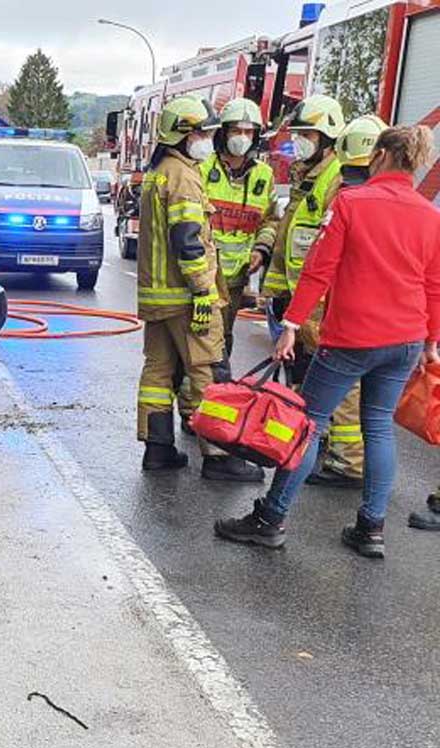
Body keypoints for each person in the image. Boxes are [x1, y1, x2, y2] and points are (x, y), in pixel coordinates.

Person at [215, 125, 440, 558]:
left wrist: (292, 325)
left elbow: (319, 270)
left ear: (380, 157)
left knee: (308, 424)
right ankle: (371, 529)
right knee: (377, 428)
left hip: (352, 336)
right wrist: (431, 340)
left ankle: (270, 519)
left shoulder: (351, 203)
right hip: (406, 340)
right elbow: (434, 284)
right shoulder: (429, 215)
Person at [135, 96, 263, 482]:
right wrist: (204, 291)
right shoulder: (184, 177)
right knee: (207, 370)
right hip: (187, 297)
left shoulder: (159, 172)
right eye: (203, 132)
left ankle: (157, 449)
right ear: (184, 134)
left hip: (157, 297)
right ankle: (220, 456)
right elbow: (188, 242)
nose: (208, 139)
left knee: (158, 370)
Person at [258, 96, 363, 489]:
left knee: (335, 382)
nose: (298, 141)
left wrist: (309, 306)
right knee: (305, 378)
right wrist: (273, 293)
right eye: (298, 134)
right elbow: (290, 239)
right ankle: (315, 449)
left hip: (320, 302)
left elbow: (328, 249)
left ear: (327, 137)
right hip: (299, 298)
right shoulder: (307, 175)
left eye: (306, 134)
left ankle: (347, 462)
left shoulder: (335, 178)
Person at [199, 98, 277, 361]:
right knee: (201, 339)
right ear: (223, 133)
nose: (242, 138)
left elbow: (270, 220)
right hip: (202, 274)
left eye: (248, 132)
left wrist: (261, 249)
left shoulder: (264, 176)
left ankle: (213, 393)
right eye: (236, 131)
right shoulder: (202, 168)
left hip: (235, 278)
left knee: (223, 339)